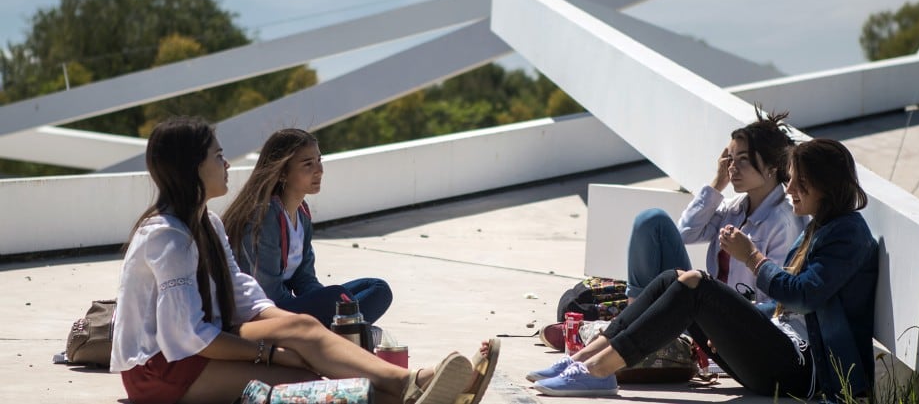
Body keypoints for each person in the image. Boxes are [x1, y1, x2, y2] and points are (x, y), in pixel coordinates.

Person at [110, 117, 499, 404]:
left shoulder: (205, 221)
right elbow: (188, 338)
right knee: (303, 374)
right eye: (219, 156)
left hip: (201, 346)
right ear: (192, 167)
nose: (227, 164)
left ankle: (415, 384)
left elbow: (243, 293)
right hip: (161, 371)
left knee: (306, 328)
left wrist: (298, 328)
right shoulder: (166, 236)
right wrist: (271, 351)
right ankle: (417, 390)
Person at [528, 138, 878, 402]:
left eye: (800, 182)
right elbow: (788, 307)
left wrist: (753, 258)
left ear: (826, 184)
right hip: (782, 353)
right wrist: (734, 320)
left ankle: (600, 371)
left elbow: (804, 295)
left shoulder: (848, 232)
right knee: (674, 278)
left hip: (808, 370)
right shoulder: (820, 226)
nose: (790, 189)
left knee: (695, 285)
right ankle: (583, 359)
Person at [625, 107, 805, 303]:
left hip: (737, 323)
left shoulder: (783, 223)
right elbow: (685, 233)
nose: (732, 168)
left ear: (772, 167)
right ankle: (632, 315)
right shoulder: (735, 208)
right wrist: (719, 182)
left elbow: (774, 300)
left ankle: (633, 327)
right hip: (705, 309)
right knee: (652, 220)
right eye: (730, 159)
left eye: (743, 159)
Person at [222, 128, 392, 327]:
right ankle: (339, 331)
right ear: (283, 173)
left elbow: (304, 278)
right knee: (336, 299)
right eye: (308, 164)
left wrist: (322, 301)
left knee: (377, 289)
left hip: (288, 306)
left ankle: (335, 330)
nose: (319, 170)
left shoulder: (301, 212)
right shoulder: (265, 215)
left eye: (319, 160)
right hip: (261, 313)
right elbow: (267, 290)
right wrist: (325, 304)